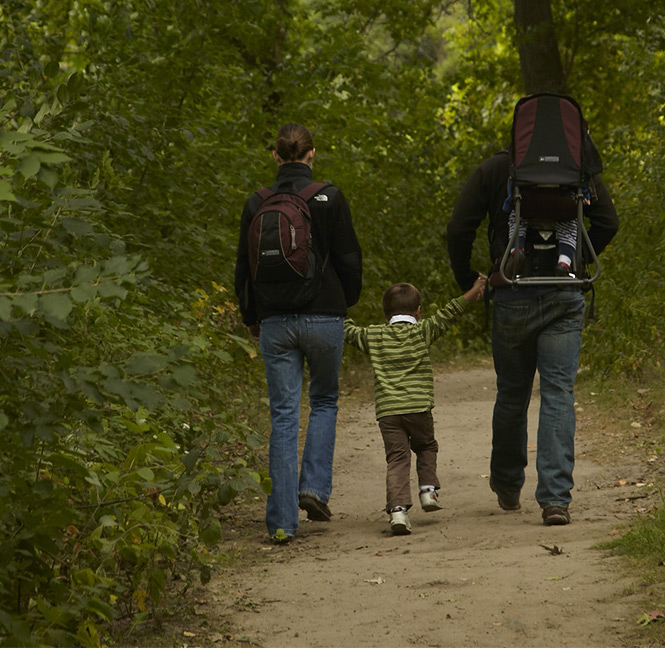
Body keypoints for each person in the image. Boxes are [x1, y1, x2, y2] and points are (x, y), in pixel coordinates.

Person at [446, 136, 618, 526]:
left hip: (512, 292)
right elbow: (608, 222)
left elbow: (458, 228)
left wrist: (470, 280)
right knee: (558, 392)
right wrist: (578, 261)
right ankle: (555, 499)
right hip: (563, 292)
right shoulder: (576, 169)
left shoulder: (496, 169)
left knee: (512, 392)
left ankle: (508, 487)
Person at [235, 123, 362, 544]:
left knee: (284, 416)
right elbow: (349, 258)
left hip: (274, 321)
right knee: (324, 400)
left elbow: (244, 271)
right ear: (312, 155)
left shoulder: (256, 202)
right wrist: (347, 301)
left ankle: (282, 523)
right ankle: (313, 489)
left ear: (275, 156)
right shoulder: (331, 197)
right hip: (325, 315)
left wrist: (252, 318)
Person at [343, 275, 486, 535]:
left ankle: (398, 512)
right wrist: (475, 289)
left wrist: (336, 306)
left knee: (397, 459)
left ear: (385, 312)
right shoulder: (423, 330)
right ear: (419, 311)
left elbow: (348, 331)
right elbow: (450, 312)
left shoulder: (374, 335)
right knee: (426, 446)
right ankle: (428, 491)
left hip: (388, 413)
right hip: (419, 408)